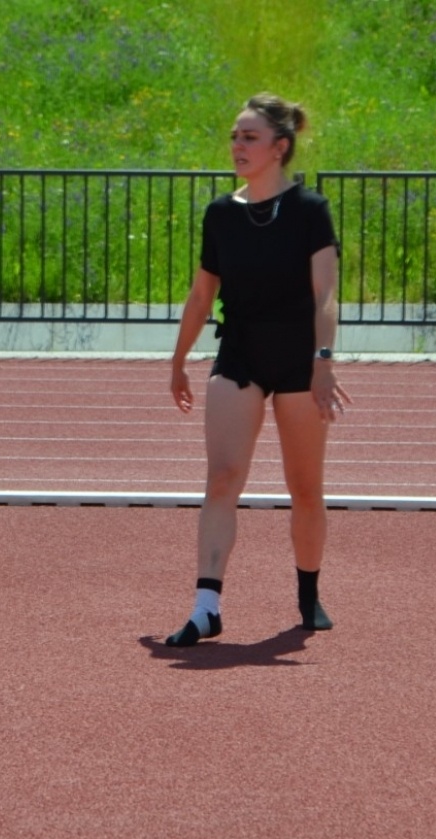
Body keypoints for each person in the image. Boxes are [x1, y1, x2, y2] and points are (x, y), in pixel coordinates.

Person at [164, 93, 351, 647]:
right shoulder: (221, 213)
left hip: (299, 359)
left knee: (304, 488)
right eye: (234, 136)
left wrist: (324, 361)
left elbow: (325, 292)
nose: (237, 145)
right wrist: (177, 361)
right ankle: (206, 607)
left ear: (280, 147)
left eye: (249, 137)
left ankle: (308, 593)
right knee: (222, 478)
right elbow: (202, 296)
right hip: (240, 354)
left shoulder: (310, 210)